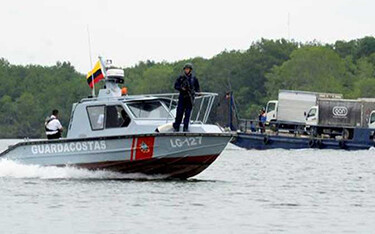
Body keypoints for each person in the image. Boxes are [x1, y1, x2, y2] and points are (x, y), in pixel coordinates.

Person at [172, 63, 200, 132]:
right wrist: (181, 88)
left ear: (190, 70)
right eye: (186, 69)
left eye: (188, 69)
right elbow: (176, 86)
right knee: (179, 112)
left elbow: (197, 87)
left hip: (189, 97)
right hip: (182, 97)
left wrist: (198, 92)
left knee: (187, 113)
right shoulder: (181, 78)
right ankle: (176, 127)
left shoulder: (194, 78)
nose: (186, 70)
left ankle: (185, 127)